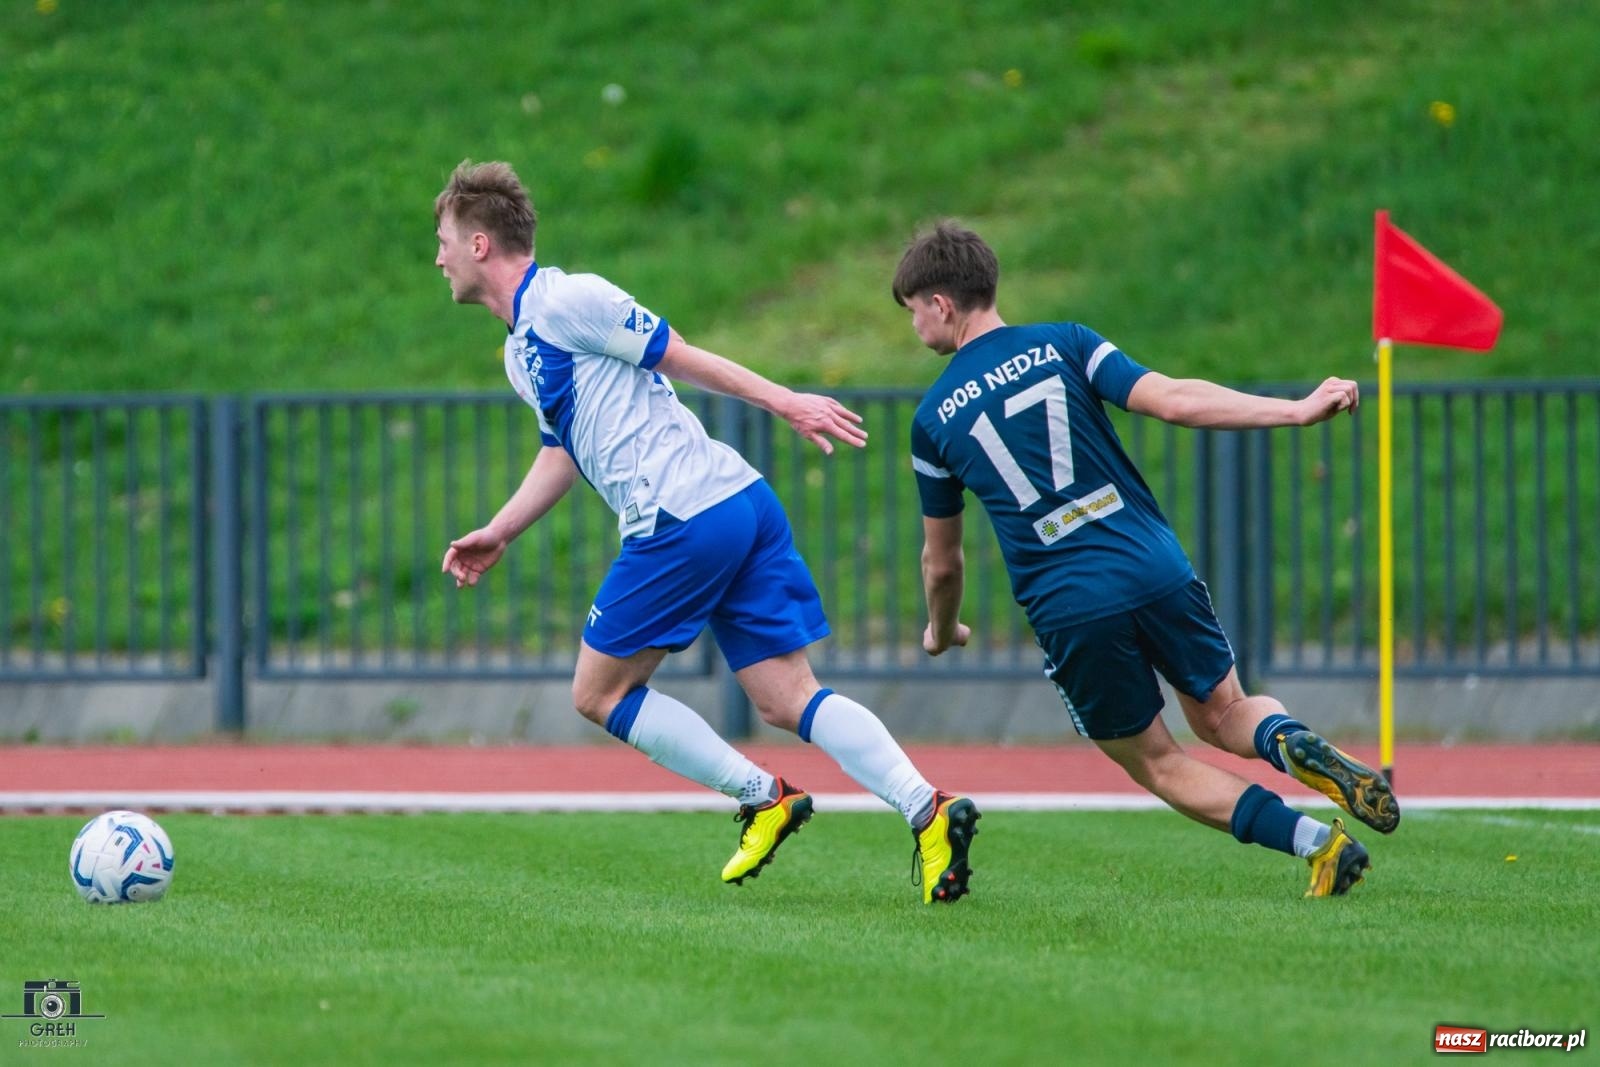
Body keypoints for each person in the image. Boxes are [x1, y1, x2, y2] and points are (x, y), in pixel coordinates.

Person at [433, 161, 978, 904]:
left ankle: (763, 797)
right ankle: (930, 809)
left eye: (444, 241)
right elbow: (561, 450)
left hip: (682, 514)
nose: (438, 258)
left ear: (481, 245)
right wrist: (500, 528)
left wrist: (787, 402)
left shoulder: (568, 298)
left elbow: (680, 354)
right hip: (735, 501)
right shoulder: (517, 349)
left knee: (597, 691)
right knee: (787, 696)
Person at [894, 220, 1399, 898]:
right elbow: (1174, 398)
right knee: (1225, 712)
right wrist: (1294, 410)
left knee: (1158, 761)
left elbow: (943, 563)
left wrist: (940, 626)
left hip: (1070, 602)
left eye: (912, 312)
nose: (916, 328)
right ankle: (1287, 740)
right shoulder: (1066, 342)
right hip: (1152, 562)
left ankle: (1317, 843)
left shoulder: (932, 419)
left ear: (941, 304)